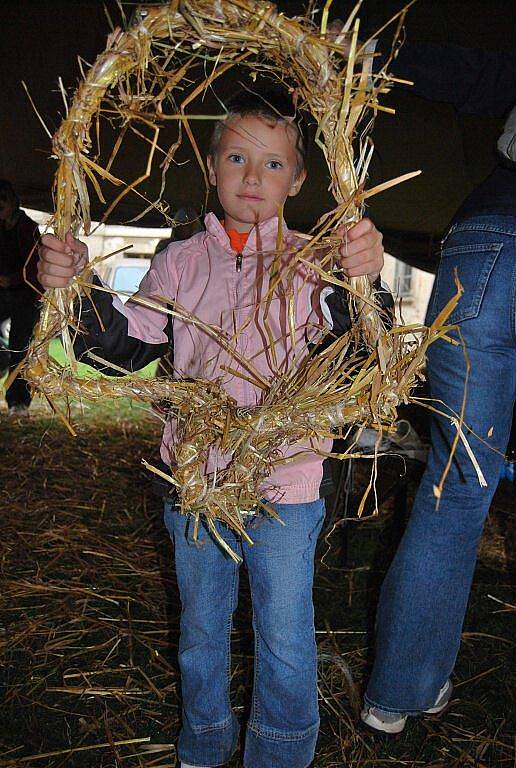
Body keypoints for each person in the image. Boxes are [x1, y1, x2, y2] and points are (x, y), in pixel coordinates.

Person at [37, 88, 387, 768]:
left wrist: (361, 283)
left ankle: (279, 754)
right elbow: (123, 347)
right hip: (193, 482)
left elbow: (360, 355)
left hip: (285, 485)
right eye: (236, 158)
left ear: (300, 178)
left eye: (274, 165)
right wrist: (75, 287)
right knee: (200, 627)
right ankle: (204, 739)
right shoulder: (178, 262)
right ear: (210, 165)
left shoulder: (315, 262)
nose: (253, 178)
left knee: (283, 635)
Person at [360, 42, 515, 734]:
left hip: (490, 241)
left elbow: (477, 72)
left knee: (456, 484)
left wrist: (377, 51)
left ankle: (396, 695)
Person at [0, 180, 41, 415]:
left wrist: (13, 279)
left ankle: (18, 401)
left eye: (3, 200)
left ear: (13, 201)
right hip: (4, 294)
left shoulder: (28, 228)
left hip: (25, 296)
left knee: (19, 348)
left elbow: (35, 267)